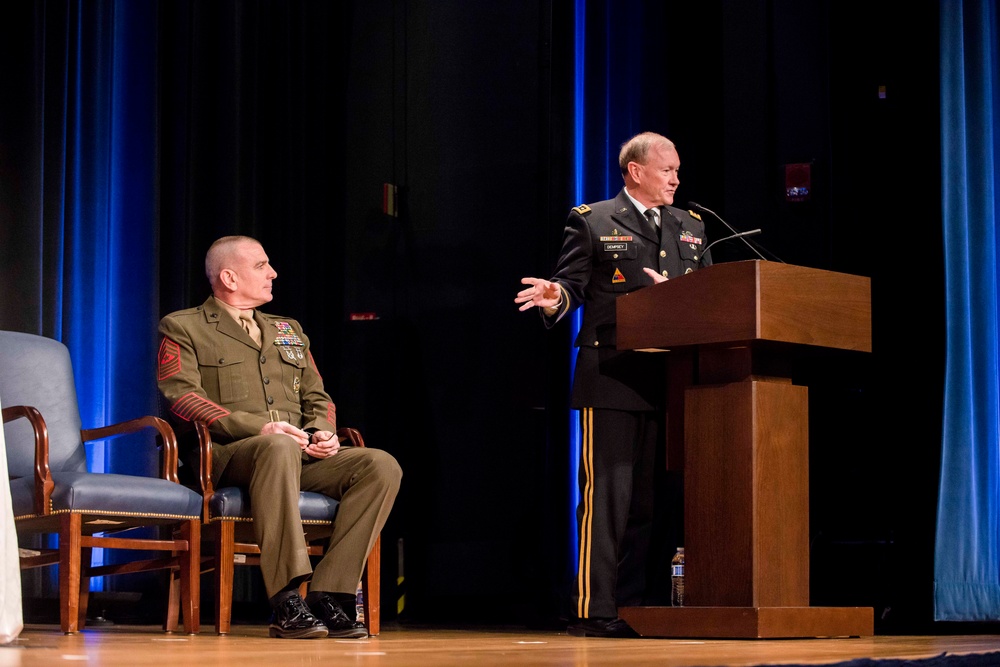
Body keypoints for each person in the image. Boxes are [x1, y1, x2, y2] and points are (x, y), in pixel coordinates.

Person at [515, 132, 711, 638]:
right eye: (666, 169)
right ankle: (594, 608)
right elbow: (572, 286)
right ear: (635, 171)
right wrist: (555, 294)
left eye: (677, 169)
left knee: (652, 500)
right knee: (609, 498)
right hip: (614, 375)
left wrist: (682, 300)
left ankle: (635, 604)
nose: (676, 178)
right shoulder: (594, 220)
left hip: (673, 381)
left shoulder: (693, 226)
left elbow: (713, 300)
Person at [157, 235, 401, 639]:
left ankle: (330, 591)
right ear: (229, 277)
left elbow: (317, 395)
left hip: (295, 454)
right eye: (261, 266)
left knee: (379, 465)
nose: (273, 273)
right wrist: (259, 428)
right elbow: (181, 398)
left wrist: (321, 431)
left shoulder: (288, 329)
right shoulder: (184, 325)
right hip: (229, 455)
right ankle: (286, 599)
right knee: (275, 444)